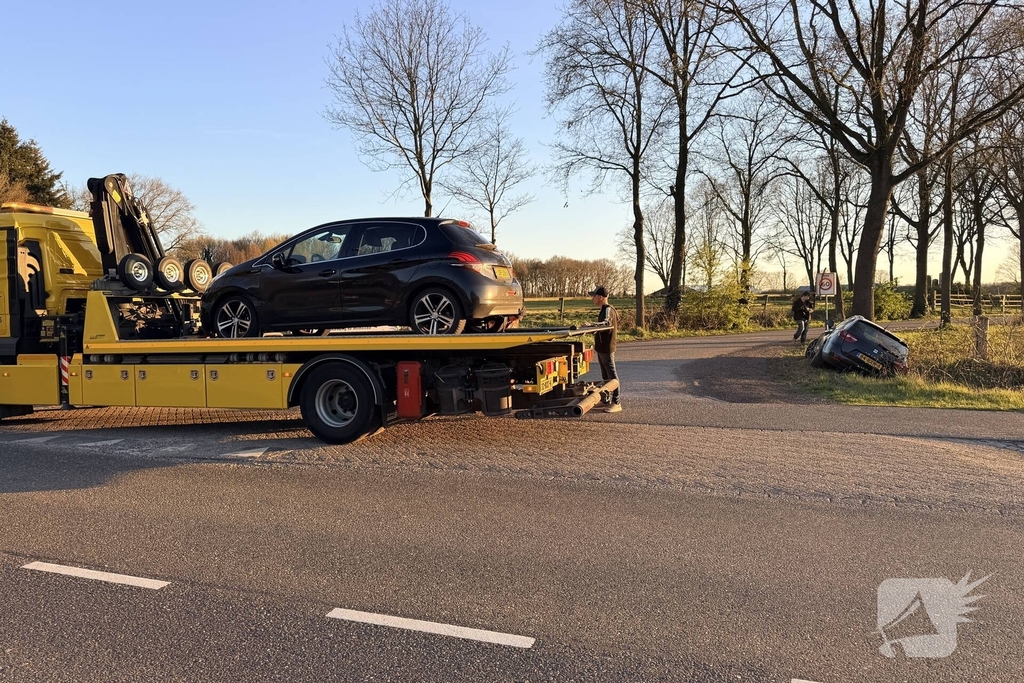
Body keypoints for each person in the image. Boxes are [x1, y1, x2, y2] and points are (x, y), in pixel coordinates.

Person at [588, 285, 621, 412]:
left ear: (601, 297)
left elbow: (607, 323)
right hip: (602, 347)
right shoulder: (605, 309)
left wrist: (592, 326)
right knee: (605, 376)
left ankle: (616, 402)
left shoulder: (607, 309)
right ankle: (606, 400)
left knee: (612, 377)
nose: (593, 299)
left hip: (607, 348)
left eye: (594, 296)